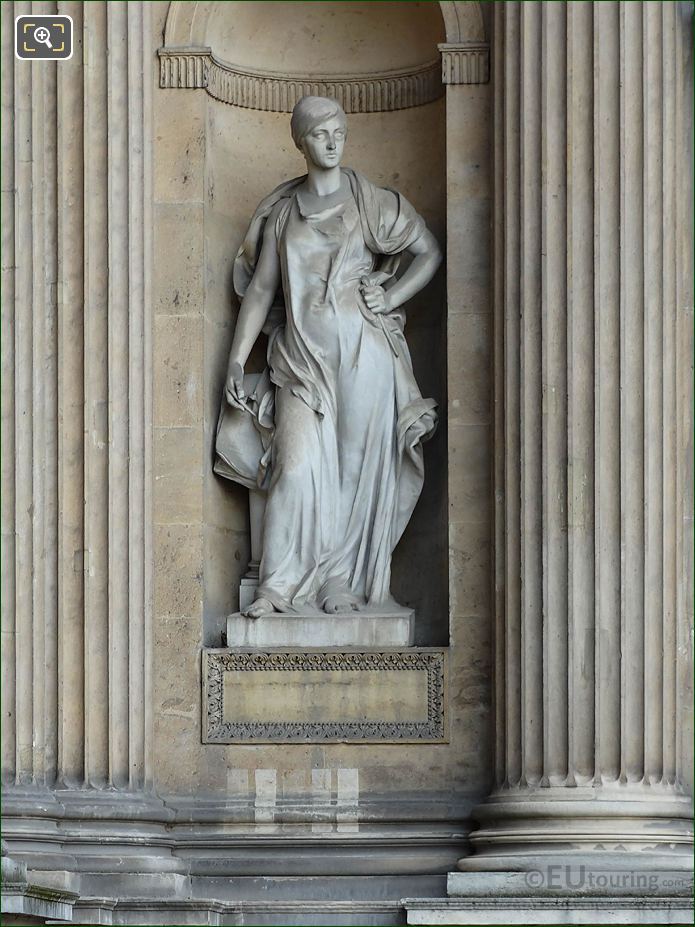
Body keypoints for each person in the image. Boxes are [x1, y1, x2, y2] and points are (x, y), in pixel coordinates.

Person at [215, 95, 442, 618]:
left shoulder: (370, 200)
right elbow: (260, 290)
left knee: (353, 469)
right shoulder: (283, 213)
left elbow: (428, 251)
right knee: (294, 467)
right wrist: (234, 360)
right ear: (301, 141)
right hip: (300, 358)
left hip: (365, 353)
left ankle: (341, 582)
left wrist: (394, 294)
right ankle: (278, 585)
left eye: (339, 130)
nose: (334, 140)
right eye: (321, 133)